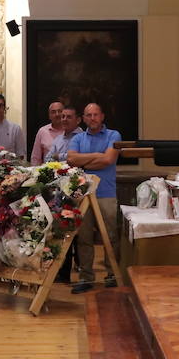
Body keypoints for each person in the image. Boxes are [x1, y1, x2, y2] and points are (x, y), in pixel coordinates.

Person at [66, 103, 121, 295]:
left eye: (96, 114)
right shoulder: (78, 138)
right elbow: (71, 159)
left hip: (106, 193)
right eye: (88, 115)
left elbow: (108, 160)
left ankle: (112, 274)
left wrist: (86, 160)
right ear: (84, 118)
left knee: (111, 236)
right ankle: (86, 277)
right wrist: (97, 156)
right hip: (84, 195)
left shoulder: (113, 136)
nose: (92, 118)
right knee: (84, 238)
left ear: (102, 116)